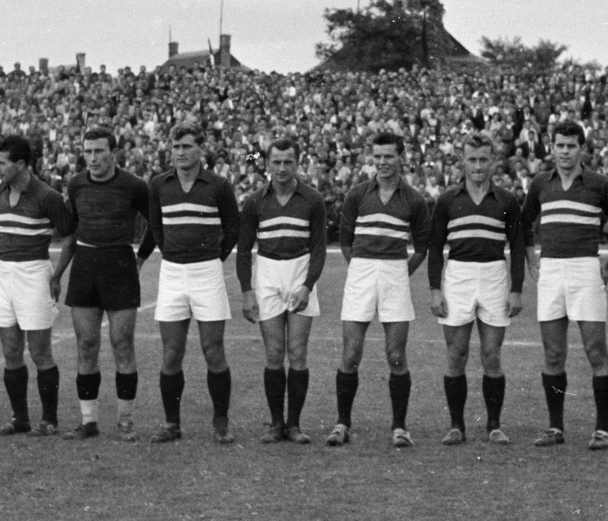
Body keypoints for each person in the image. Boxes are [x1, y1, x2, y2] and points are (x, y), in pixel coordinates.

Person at [520, 120, 608, 450]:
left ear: (581, 148)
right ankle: (555, 428)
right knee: (553, 354)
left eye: (571, 145)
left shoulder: (599, 184)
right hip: (551, 270)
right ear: (552, 147)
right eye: (560, 145)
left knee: (596, 350)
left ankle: (602, 430)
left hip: (585, 270)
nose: (565, 151)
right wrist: (532, 259)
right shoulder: (540, 183)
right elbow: (523, 224)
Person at [51, 127, 154, 441]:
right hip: (85, 265)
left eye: (99, 151)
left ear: (114, 153)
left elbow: (155, 225)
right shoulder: (77, 183)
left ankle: (125, 422)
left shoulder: (134, 185)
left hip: (119, 265)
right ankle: (88, 421)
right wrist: (57, 274)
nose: (92, 158)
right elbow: (71, 233)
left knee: (123, 345)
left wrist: (138, 260)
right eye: (88, 151)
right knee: (85, 344)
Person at [331, 131, 432, 448]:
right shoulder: (357, 194)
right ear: (371, 158)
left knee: (396, 355)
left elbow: (421, 248)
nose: (383, 162)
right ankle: (342, 424)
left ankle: (399, 427)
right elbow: (345, 242)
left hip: (394, 274)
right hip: (361, 271)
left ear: (401, 157)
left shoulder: (413, 198)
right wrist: (362, 267)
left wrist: (400, 272)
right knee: (351, 353)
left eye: (389, 156)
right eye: (378, 156)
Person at [427, 132, 525, 445]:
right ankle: (456, 426)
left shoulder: (507, 200)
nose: (478, 165)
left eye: (484, 159)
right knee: (455, 354)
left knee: (491, 355)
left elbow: (519, 246)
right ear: (463, 161)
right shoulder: (447, 200)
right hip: (458, 275)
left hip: (495, 274)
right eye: (472, 159)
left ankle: (494, 425)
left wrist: (516, 289)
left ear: (493, 161)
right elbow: (435, 246)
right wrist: (434, 290)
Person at [147, 122, 241, 443]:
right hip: (172, 273)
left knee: (213, 350)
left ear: (201, 149)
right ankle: (172, 424)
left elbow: (232, 229)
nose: (181, 152)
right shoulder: (159, 184)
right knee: (171, 352)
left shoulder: (219, 185)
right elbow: (156, 228)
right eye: (176, 147)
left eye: (187, 146)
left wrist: (215, 256)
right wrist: (171, 252)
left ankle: (220, 423)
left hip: (207, 273)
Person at [0, 135, 74, 436]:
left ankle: (49, 420)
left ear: (21, 165)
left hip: (35, 273)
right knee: (10, 350)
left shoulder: (46, 196)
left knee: (39, 351)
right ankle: (19, 419)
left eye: (1, 163)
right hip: (5, 274)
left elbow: (69, 235)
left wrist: (57, 274)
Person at [236, 137, 327, 444]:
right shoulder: (255, 200)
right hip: (268, 274)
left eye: (288, 161)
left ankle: (295, 425)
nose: (282, 168)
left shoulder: (312, 199)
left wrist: (307, 286)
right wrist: (247, 292)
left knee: (297, 354)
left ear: (297, 163)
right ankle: (276, 424)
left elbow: (318, 249)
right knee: (274, 353)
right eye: (276, 162)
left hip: (300, 272)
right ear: (267, 163)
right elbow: (244, 250)